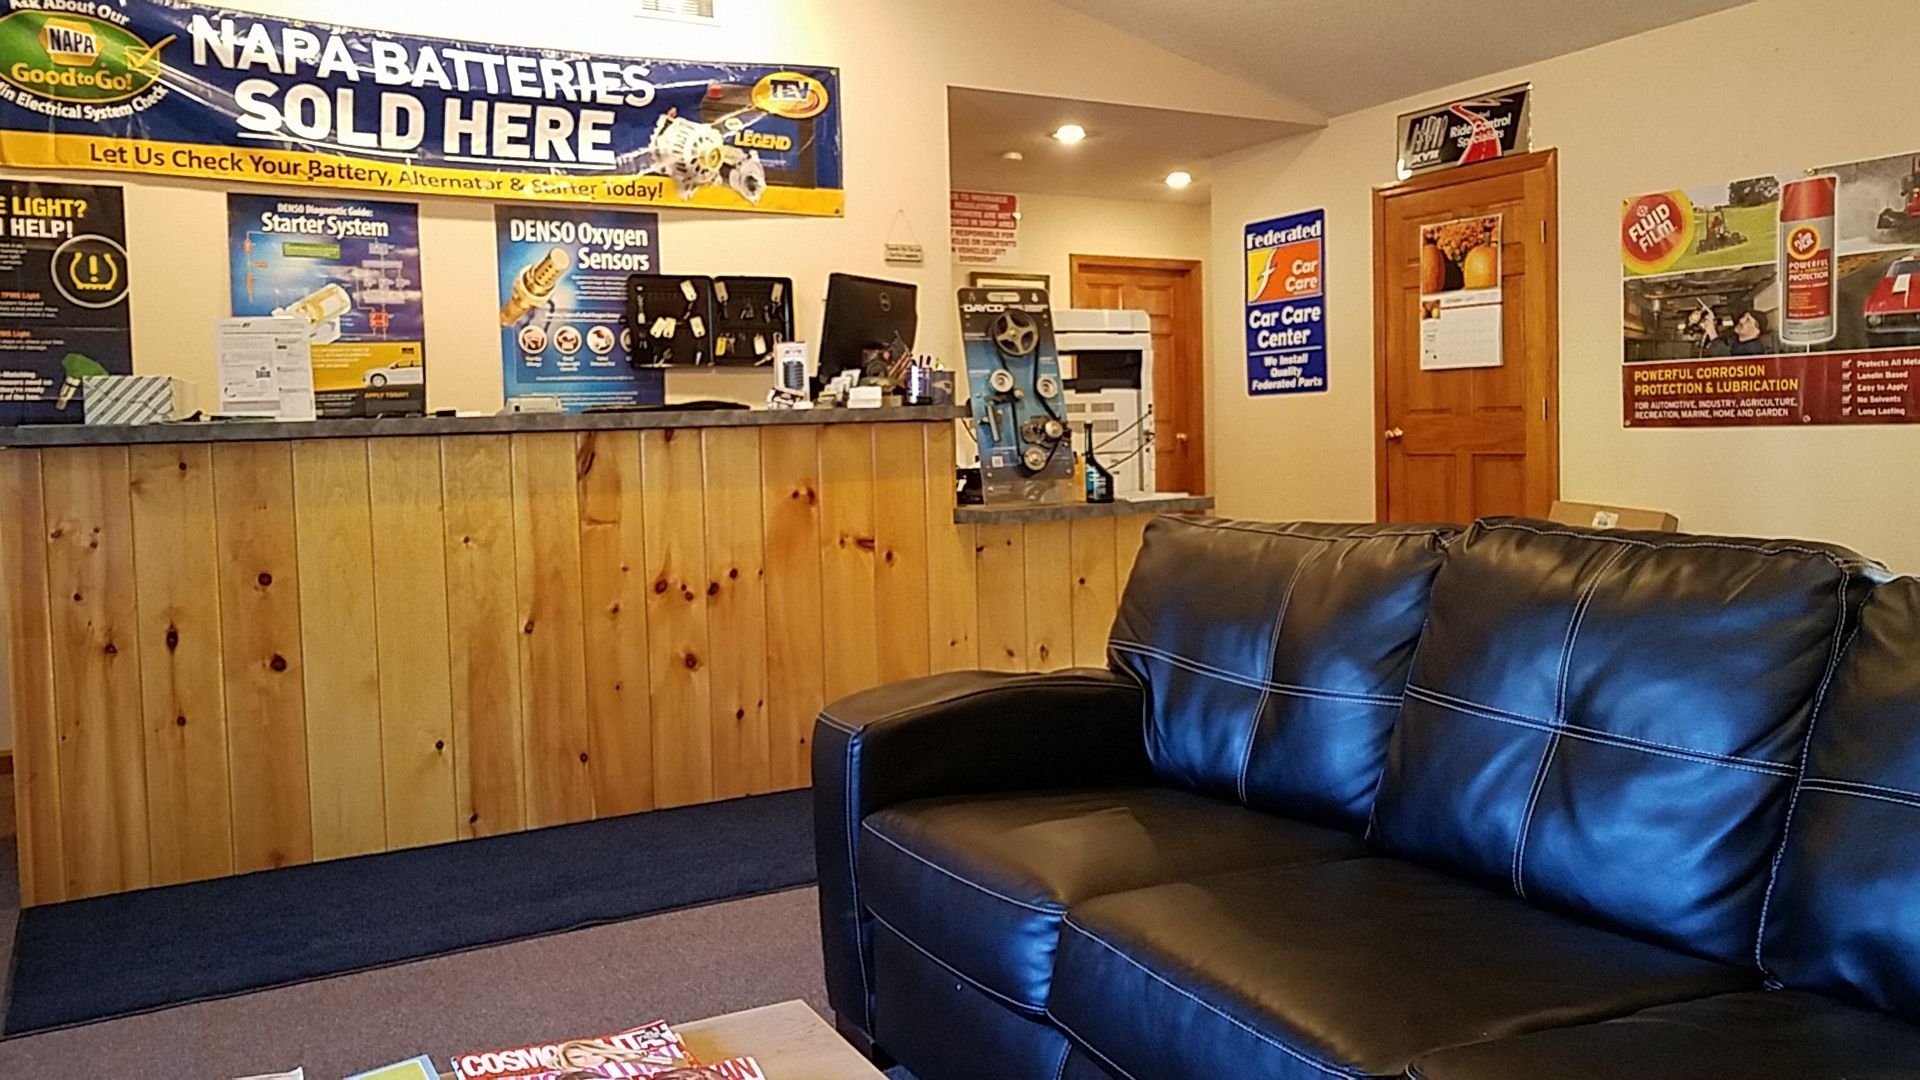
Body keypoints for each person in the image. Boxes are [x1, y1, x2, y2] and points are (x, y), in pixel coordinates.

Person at [1698, 306, 1776, 356]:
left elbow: (1730, 368)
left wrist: (1712, 333)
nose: (1741, 320)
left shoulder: (1754, 351)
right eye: (1743, 317)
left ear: (1757, 331)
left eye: (1747, 320)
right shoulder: (1735, 339)